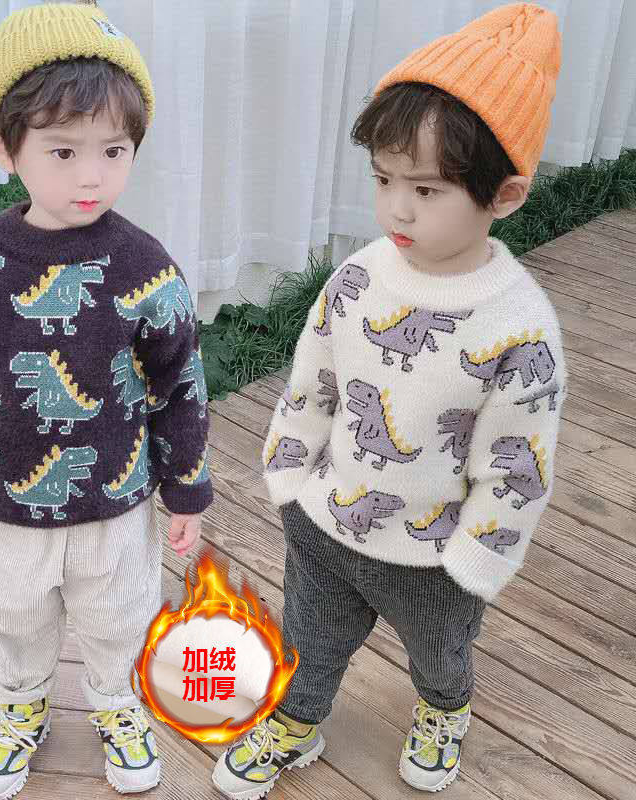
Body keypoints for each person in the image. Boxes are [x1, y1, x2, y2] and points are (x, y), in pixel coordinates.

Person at [213, 3, 565, 796]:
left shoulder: (519, 328)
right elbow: (315, 382)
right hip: (327, 521)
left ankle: (445, 710)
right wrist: (290, 474)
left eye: (427, 188)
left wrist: (476, 558)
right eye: (383, 179)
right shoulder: (359, 278)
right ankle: (296, 719)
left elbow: (518, 464)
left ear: (505, 194)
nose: (397, 207)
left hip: (434, 556)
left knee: (440, 657)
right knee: (307, 642)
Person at [0, 4, 213, 797]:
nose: (91, 176)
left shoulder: (146, 267)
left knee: (121, 618)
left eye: (115, 150)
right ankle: (18, 711)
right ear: (4, 147)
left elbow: (179, 384)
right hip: (5, 502)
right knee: (13, 622)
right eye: (63, 151)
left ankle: (118, 707)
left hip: (115, 504)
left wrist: (186, 486)